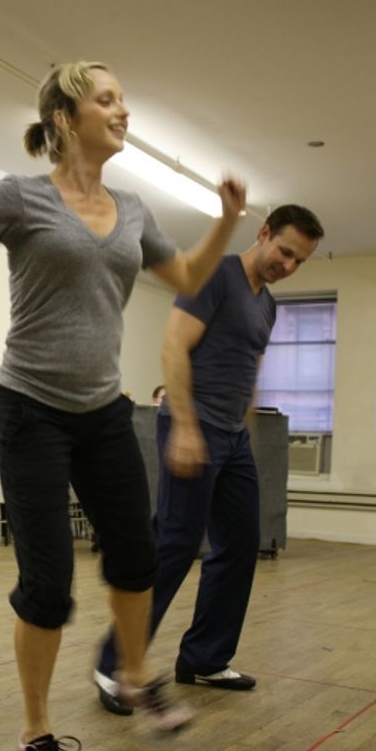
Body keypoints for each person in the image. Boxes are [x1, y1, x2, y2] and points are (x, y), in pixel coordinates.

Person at [0, 60, 246, 751]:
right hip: (29, 407)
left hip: (101, 410)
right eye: (108, 99)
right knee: (48, 584)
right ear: (64, 116)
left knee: (136, 555)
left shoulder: (133, 207)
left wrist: (223, 224)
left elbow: (186, 278)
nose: (124, 110)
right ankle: (33, 732)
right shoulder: (17, 198)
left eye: (125, 99)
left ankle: (131, 674)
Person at [94, 205, 324, 714]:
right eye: (285, 251)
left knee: (240, 544)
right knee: (173, 545)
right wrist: (187, 427)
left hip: (232, 437)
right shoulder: (215, 275)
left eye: (300, 261)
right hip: (190, 424)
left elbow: (249, 364)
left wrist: (244, 425)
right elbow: (174, 347)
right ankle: (114, 663)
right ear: (263, 234)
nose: (288, 264)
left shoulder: (268, 304)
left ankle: (204, 657)